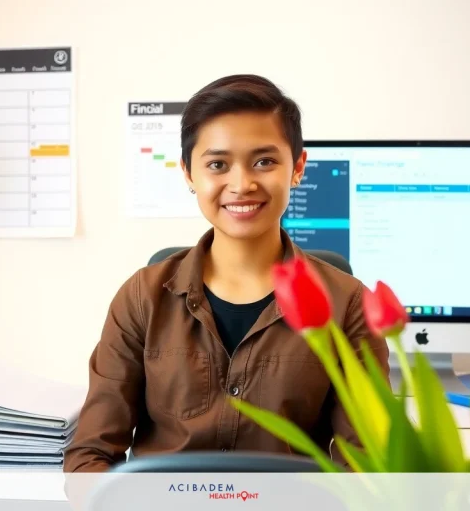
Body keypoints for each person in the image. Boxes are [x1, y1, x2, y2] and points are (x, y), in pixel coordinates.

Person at [63, 74, 390, 473]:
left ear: (298, 168)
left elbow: (367, 464)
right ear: (188, 173)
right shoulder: (142, 297)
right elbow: (90, 456)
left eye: (264, 161)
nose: (242, 184)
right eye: (218, 164)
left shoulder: (349, 303)